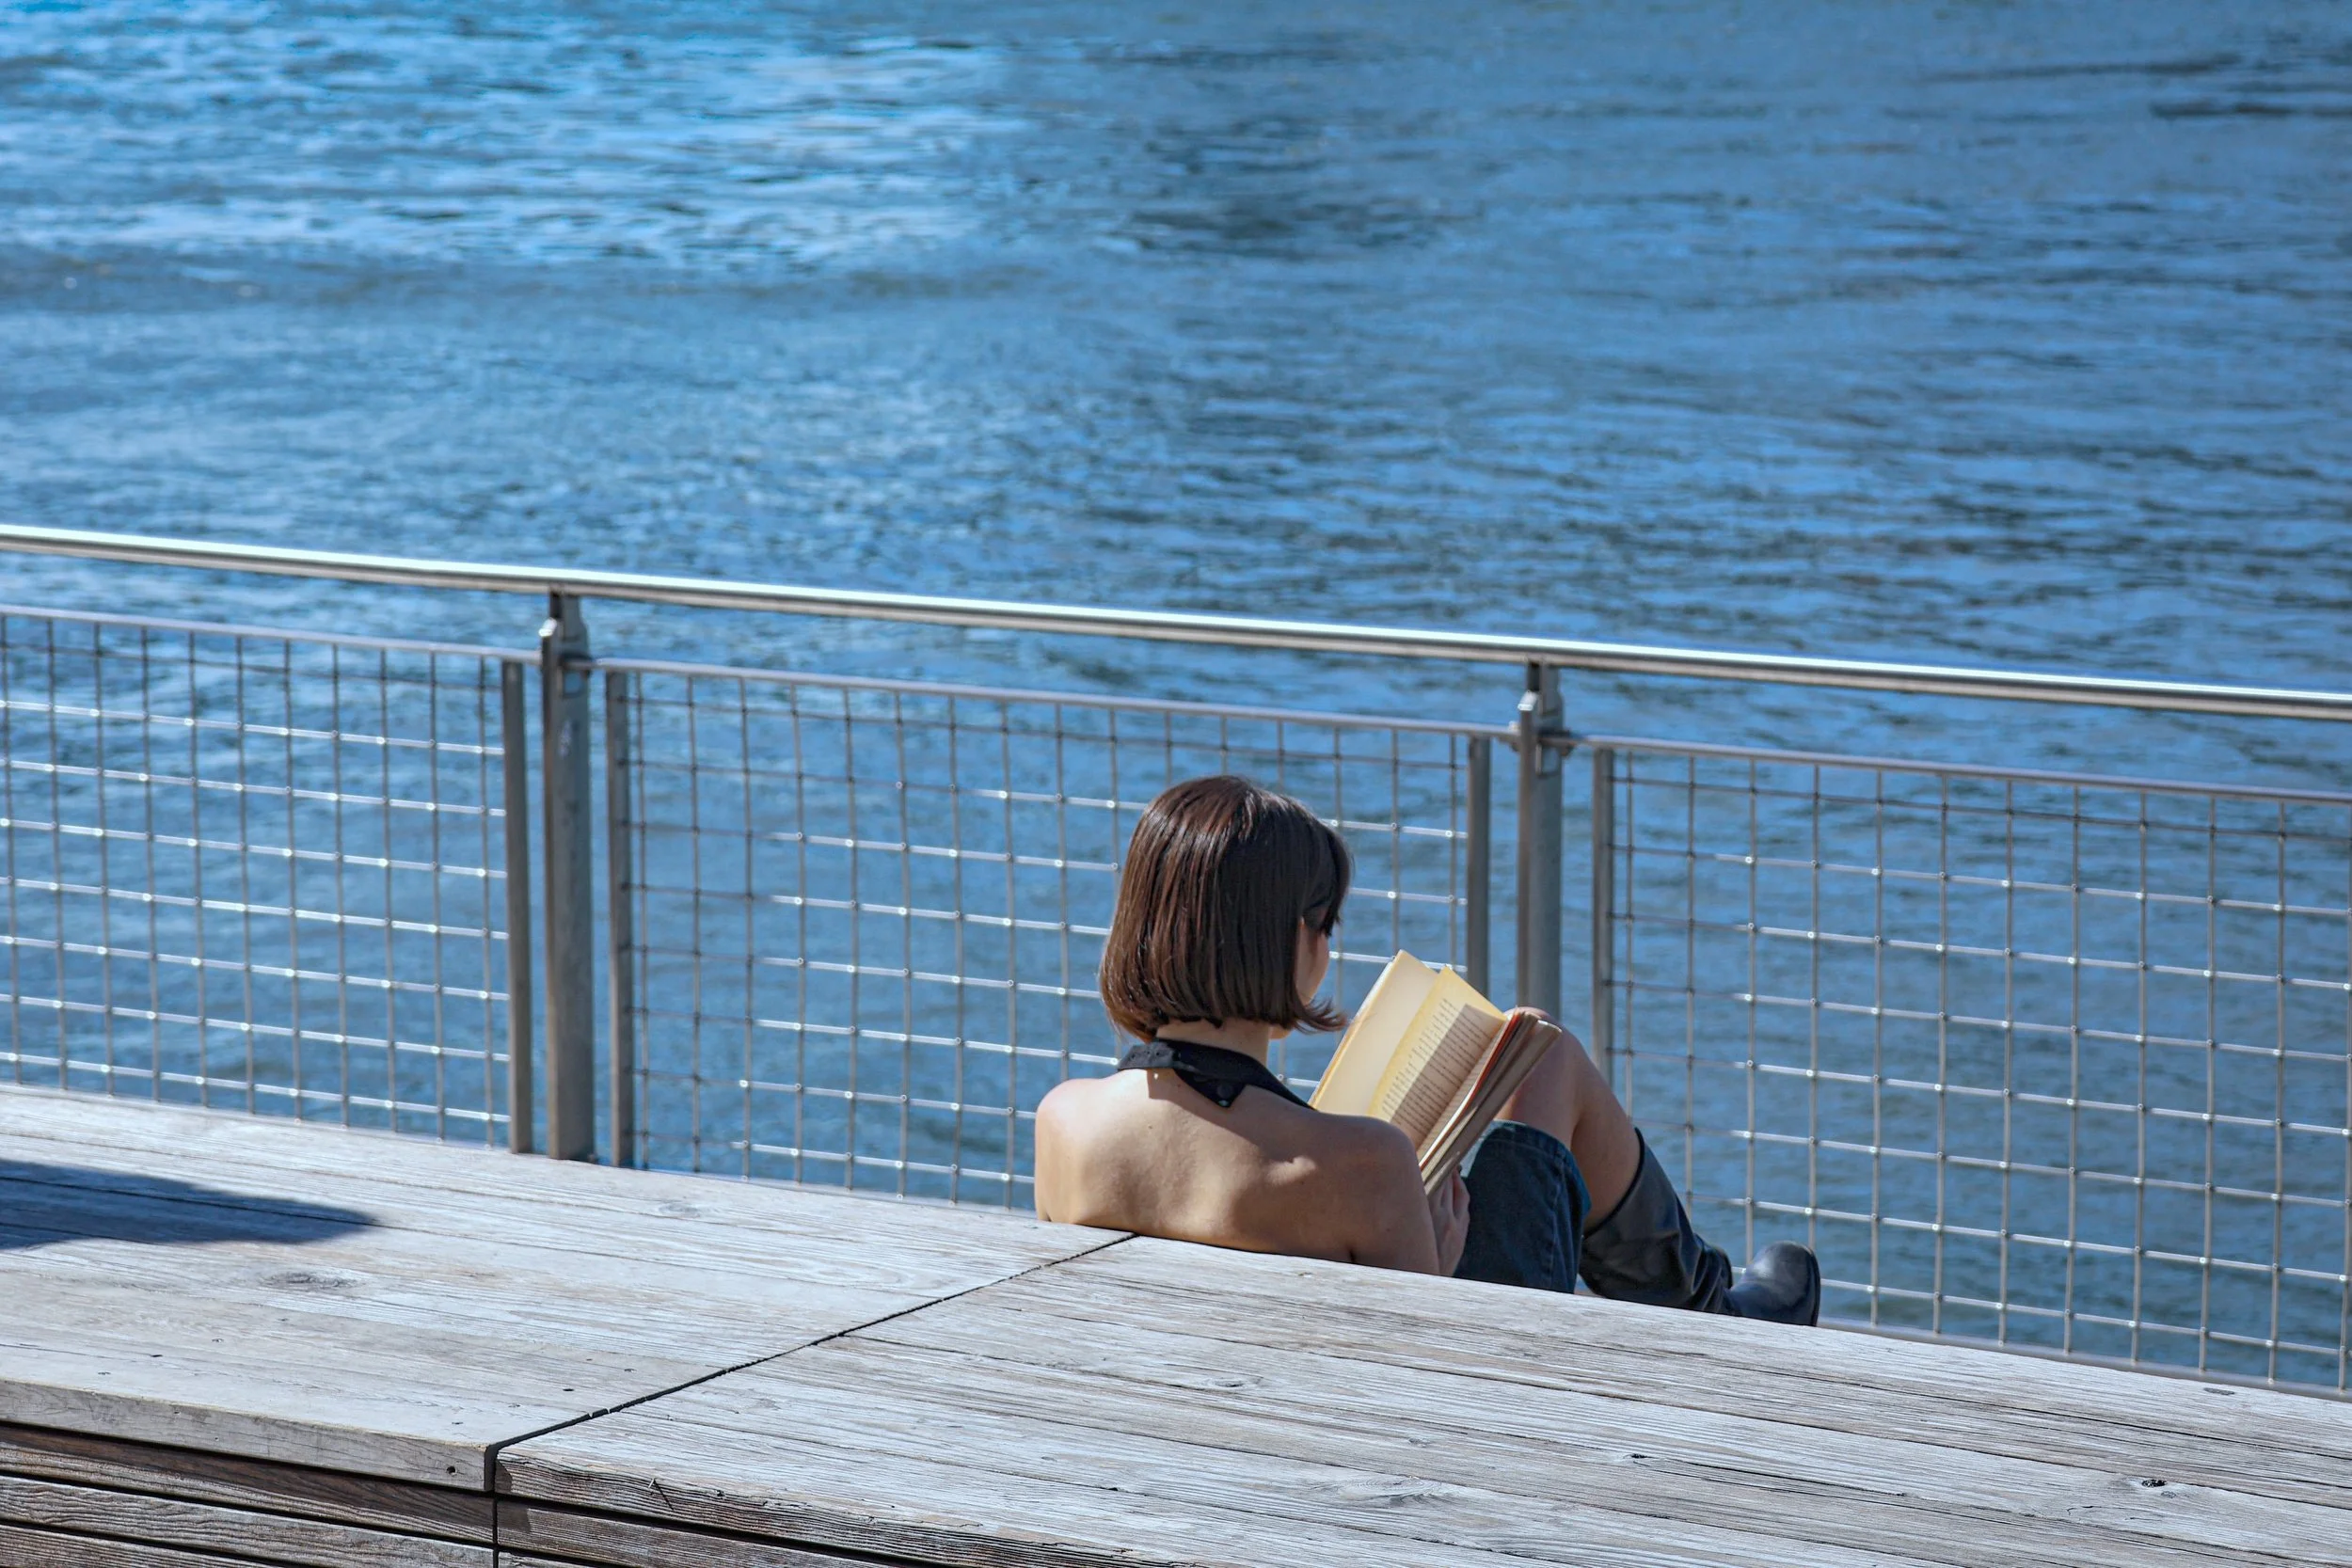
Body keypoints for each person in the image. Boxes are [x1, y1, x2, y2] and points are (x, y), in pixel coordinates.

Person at [1035, 773, 1819, 1323]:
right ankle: (1710, 1310)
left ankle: (1709, 1302)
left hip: (1174, 1424)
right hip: (1416, 1428)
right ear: (1293, 943)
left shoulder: (1063, 1121)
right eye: (1325, 926)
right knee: (1543, 1053)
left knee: (1536, 1056)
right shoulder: (1360, 1164)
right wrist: (1438, 1264)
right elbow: (1437, 1378)